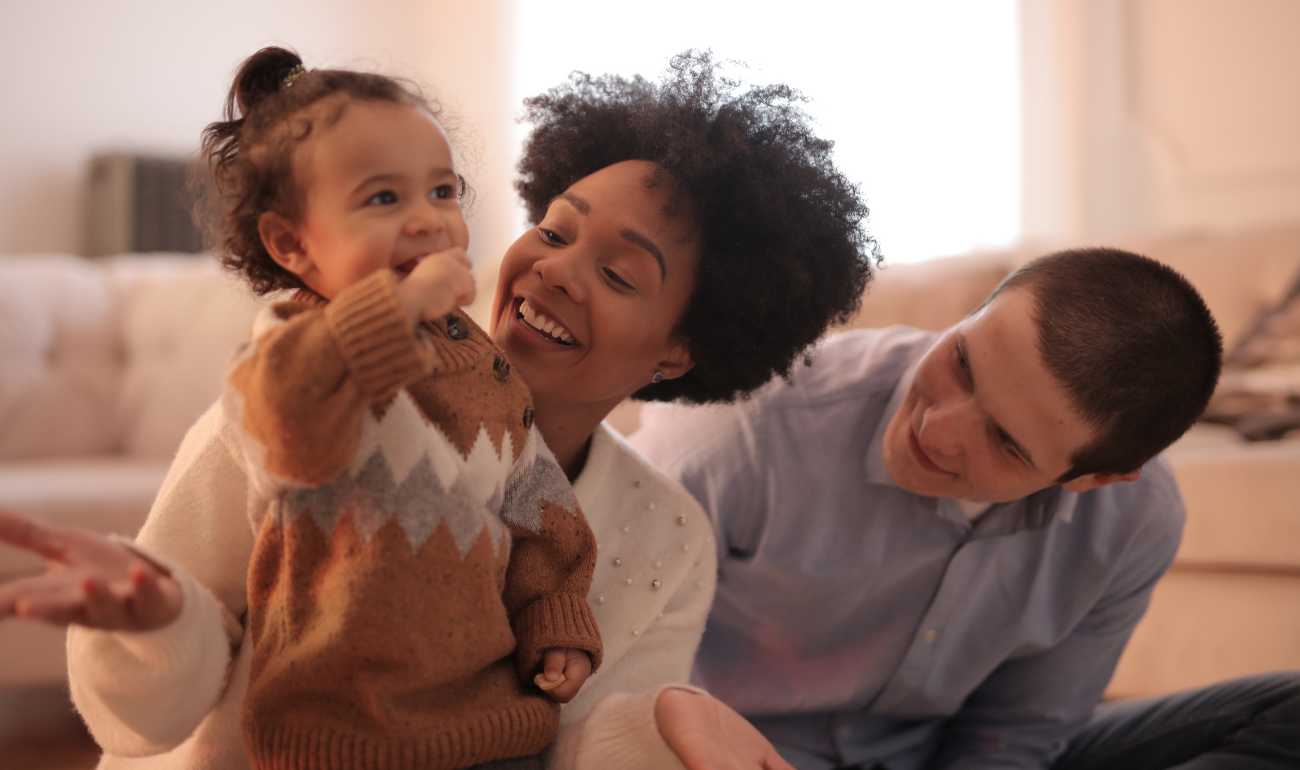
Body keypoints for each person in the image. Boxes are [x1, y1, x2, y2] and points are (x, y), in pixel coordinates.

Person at [0, 51, 876, 770]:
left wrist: (673, 727)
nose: (557, 271)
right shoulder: (304, 400)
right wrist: (158, 624)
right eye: (557, 229)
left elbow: (576, 746)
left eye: (617, 275)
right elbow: (140, 727)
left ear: (680, 348)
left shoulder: (668, 539)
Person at [632, 247, 1300, 769]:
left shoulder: (1134, 523)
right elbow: (595, 672)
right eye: (962, 362)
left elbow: (1017, 736)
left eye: (1006, 442)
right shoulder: (746, 427)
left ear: (1093, 478)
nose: (937, 429)